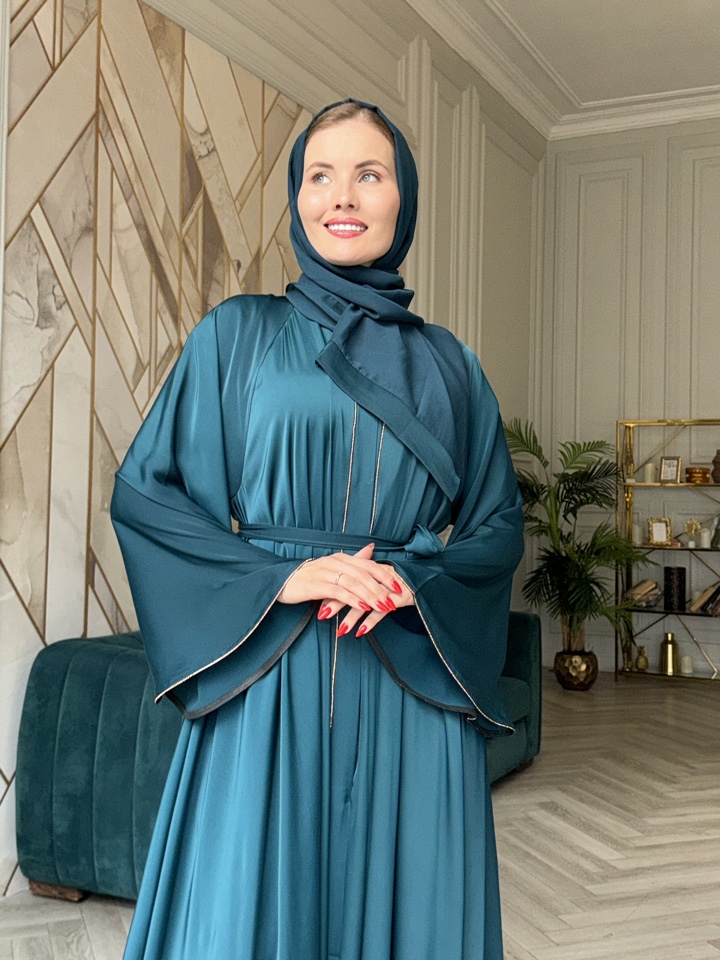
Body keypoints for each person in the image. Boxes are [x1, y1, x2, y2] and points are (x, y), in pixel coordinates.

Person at [111, 98, 524, 960]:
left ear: (403, 198)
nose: (342, 196)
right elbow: (149, 493)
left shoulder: (452, 366)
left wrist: (416, 582)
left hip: (407, 675)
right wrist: (281, 577)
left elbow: (495, 526)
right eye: (319, 175)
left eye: (369, 174)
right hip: (270, 670)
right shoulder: (238, 335)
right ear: (298, 197)